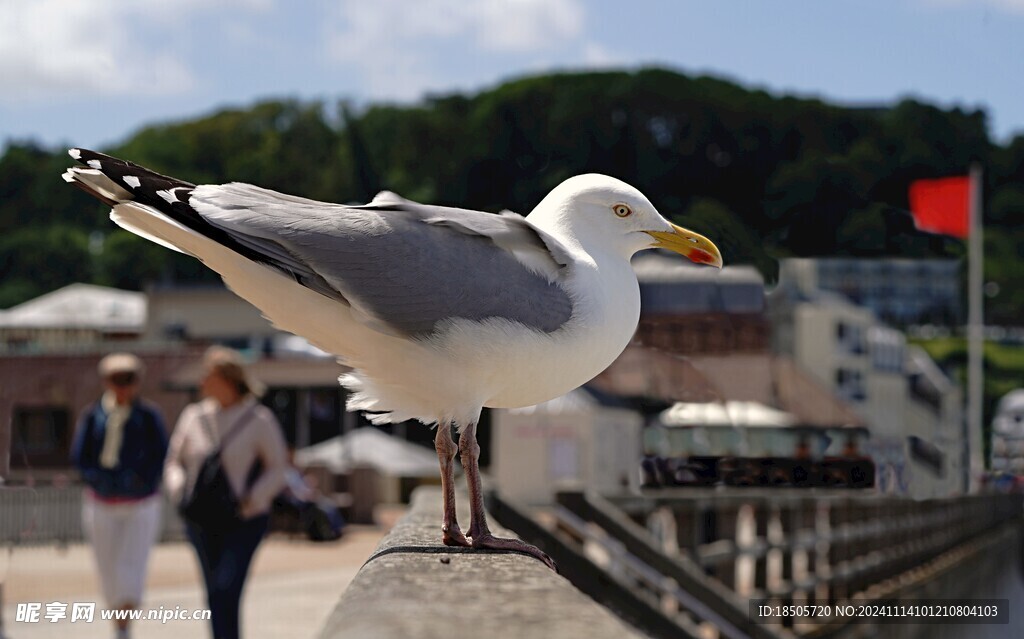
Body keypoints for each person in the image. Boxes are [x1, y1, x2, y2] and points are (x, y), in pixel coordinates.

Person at [164, 346, 288, 639]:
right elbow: (174, 460)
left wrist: (254, 498)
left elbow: (278, 467)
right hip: (200, 517)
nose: (202, 381)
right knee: (213, 593)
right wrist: (178, 488)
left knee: (226, 587)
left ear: (227, 378)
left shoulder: (259, 419)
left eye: (209, 375)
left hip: (243, 519)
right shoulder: (193, 416)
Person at [70, 352, 168, 639]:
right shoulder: (93, 415)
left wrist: (137, 480)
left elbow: (160, 456)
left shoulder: (148, 416)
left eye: (128, 380)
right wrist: (99, 480)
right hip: (101, 501)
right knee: (108, 566)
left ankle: (125, 627)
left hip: (140, 502)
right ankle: (117, 624)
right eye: (116, 380)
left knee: (131, 564)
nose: (122, 387)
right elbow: (81, 457)